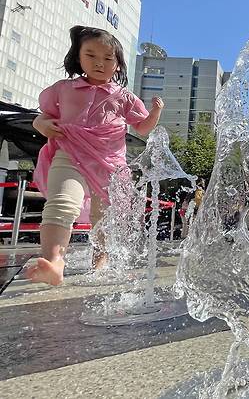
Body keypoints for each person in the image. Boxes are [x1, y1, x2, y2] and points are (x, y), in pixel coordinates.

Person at [27, 25, 163, 285]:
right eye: (91, 55)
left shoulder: (124, 97)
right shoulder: (63, 89)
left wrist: (155, 113)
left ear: (118, 65)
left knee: (104, 217)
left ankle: (100, 262)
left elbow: (142, 127)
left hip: (109, 164)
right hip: (69, 153)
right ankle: (54, 263)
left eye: (108, 58)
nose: (99, 63)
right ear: (78, 57)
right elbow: (43, 116)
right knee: (62, 203)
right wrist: (41, 125)